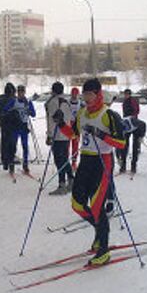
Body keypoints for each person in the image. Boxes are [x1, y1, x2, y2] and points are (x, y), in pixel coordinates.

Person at [53, 78, 125, 266]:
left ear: (98, 94)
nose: (86, 98)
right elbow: (74, 134)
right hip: (85, 161)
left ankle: (104, 250)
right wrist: (61, 124)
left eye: (89, 94)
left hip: (103, 162)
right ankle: (99, 233)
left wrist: (101, 134)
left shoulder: (108, 115)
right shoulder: (83, 113)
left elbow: (121, 143)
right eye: (84, 94)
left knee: (96, 206)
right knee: (77, 204)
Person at [45, 81, 74, 195]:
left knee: (59, 161)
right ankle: (71, 180)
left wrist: (49, 136)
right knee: (65, 159)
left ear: (53, 90)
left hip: (57, 136)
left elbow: (52, 121)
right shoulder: (67, 101)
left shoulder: (52, 102)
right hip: (66, 135)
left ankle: (62, 184)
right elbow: (71, 117)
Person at [5, 84, 36, 174]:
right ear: (17, 93)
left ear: (24, 92)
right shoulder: (14, 101)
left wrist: (29, 111)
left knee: (25, 146)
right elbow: (5, 110)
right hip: (15, 126)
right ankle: (11, 164)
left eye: (22, 92)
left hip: (24, 126)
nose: (20, 94)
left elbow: (34, 114)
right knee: (13, 146)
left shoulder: (28, 102)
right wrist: (12, 112)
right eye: (19, 92)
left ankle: (25, 165)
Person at [0, 83, 19, 173]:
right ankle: (10, 160)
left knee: (5, 142)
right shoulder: (13, 99)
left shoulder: (0, 99)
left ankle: (5, 160)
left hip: (5, 124)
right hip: (12, 124)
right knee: (12, 143)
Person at [118, 88, 140, 173]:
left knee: (135, 145)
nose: (126, 95)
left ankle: (133, 166)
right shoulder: (124, 102)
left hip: (134, 124)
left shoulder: (133, 101)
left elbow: (136, 111)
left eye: (127, 94)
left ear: (130, 94)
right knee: (124, 145)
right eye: (125, 94)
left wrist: (132, 118)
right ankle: (123, 165)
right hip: (126, 125)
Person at [69, 87, 84, 169]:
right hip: (68, 125)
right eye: (73, 94)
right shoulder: (67, 102)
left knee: (75, 145)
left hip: (77, 125)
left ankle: (74, 162)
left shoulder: (81, 103)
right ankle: (66, 162)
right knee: (67, 145)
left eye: (76, 94)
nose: (74, 96)